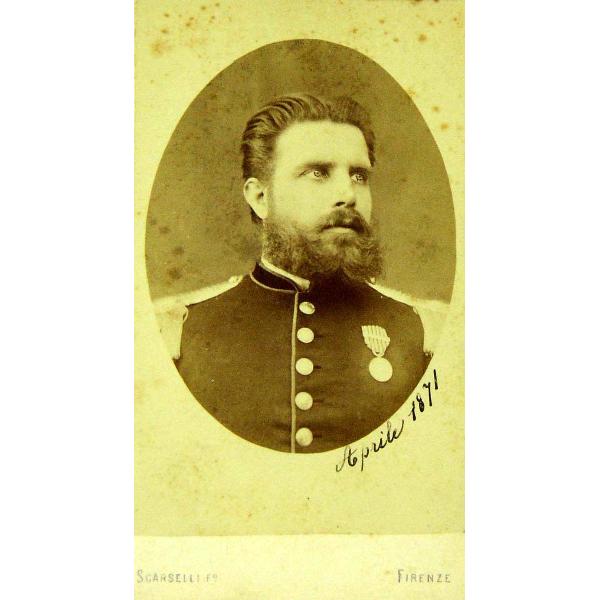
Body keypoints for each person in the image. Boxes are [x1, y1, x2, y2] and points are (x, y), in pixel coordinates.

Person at [173, 93, 431, 453]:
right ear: (260, 198)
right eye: (317, 173)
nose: (348, 194)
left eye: (359, 175)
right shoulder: (180, 334)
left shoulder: (422, 333)